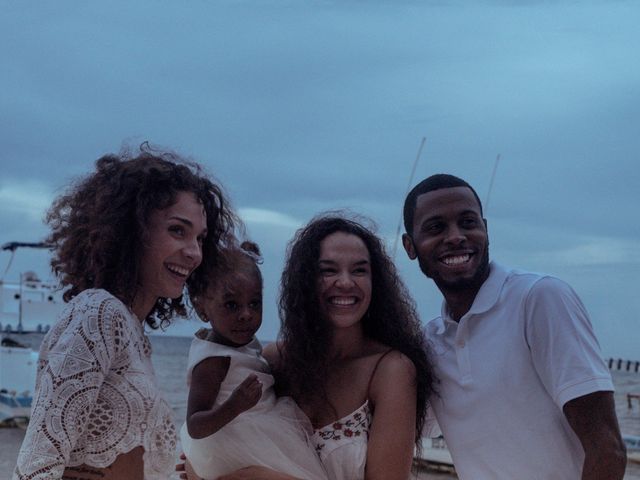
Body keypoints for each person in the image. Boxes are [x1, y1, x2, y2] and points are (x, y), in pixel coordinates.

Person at [13, 145, 236, 480]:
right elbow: (39, 460)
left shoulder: (132, 333)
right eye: (177, 230)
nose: (193, 253)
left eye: (200, 239)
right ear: (132, 230)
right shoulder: (98, 313)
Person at [401, 173, 627, 480]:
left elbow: (608, 448)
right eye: (436, 227)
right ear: (410, 246)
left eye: (468, 222)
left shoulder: (539, 299)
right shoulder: (431, 342)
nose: (455, 236)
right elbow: (402, 430)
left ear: (486, 230)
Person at [204, 214, 435, 480]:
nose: (346, 282)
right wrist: (205, 461)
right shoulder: (275, 361)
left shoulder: (391, 370)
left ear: (376, 283)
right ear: (305, 280)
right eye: (328, 270)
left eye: (359, 270)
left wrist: (256, 476)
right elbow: (232, 442)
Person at [179, 241, 328, 480]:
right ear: (202, 308)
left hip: (261, 436)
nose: (246, 314)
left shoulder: (245, 344)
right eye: (231, 305)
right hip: (237, 442)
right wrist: (234, 405)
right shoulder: (212, 360)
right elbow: (195, 425)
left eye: (254, 303)